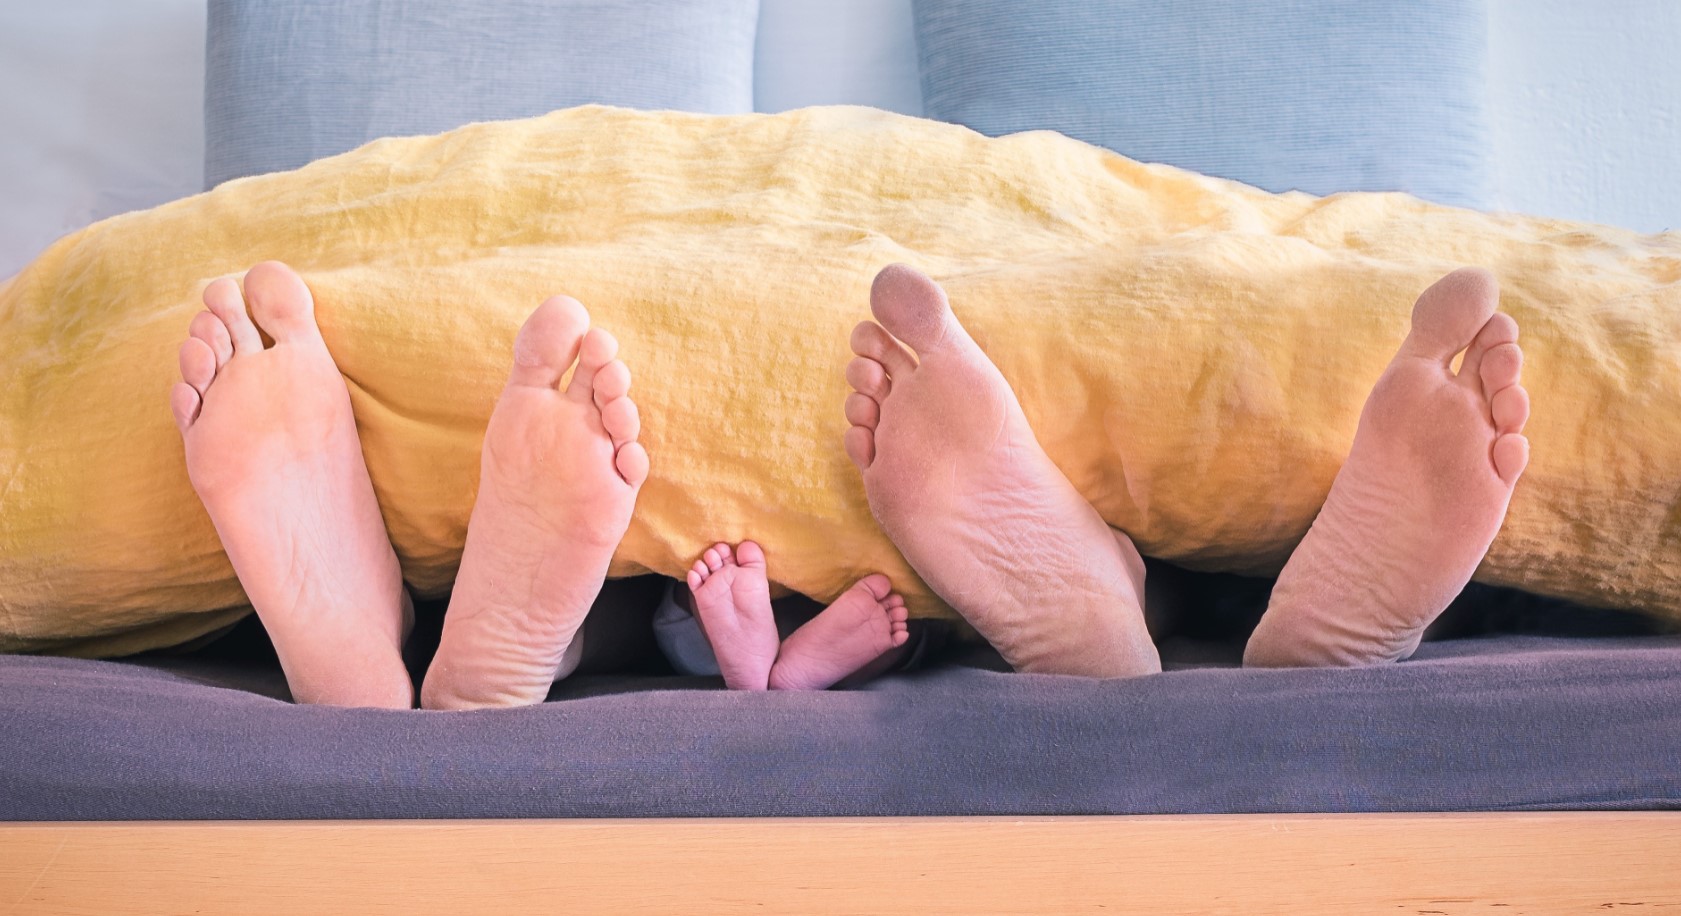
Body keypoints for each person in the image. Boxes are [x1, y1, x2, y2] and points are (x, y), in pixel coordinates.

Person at [840, 263, 1530, 677]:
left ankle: (1110, 587)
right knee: (1462, 594)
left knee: (1145, 584)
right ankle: (1330, 616)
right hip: (1300, 534)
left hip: (1137, 546)